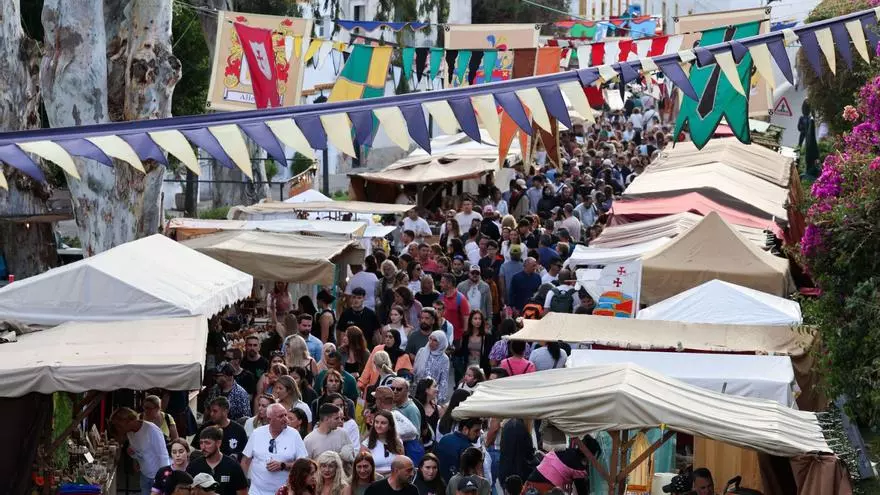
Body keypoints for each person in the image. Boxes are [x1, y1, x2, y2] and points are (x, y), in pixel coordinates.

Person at [242, 403, 309, 495]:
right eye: (280, 416)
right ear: (269, 419)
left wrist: (283, 465)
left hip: (284, 492)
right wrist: (244, 484)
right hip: (256, 491)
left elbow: (303, 464)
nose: (285, 419)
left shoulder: (294, 435)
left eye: (285, 415)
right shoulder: (257, 433)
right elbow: (245, 461)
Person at [110, 407, 170, 495]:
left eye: (119, 426)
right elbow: (138, 450)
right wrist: (133, 455)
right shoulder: (130, 432)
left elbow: (163, 455)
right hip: (145, 474)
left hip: (157, 476)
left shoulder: (151, 429)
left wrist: (164, 479)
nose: (118, 429)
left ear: (129, 420)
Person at [522, 435, 601, 494]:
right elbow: (582, 492)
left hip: (529, 483)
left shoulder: (564, 450)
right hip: (544, 488)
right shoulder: (578, 468)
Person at [186, 426, 248, 495]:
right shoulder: (194, 466)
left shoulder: (233, 466)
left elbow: (242, 492)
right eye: (201, 443)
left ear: (218, 443)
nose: (203, 447)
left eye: (207, 443)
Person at [192, 397, 248, 461]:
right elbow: (196, 451)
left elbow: (245, 454)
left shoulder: (239, 431)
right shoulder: (205, 428)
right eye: (211, 411)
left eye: (215, 411)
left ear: (225, 411)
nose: (211, 414)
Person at [434, 418, 483, 482]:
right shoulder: (468, 448)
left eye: (479, 431)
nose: (479, 434)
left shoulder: (445, 438)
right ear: (465, 429)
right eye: (476, 431)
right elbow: (472, 475)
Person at [362, 410, 405, 476]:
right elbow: (363, 468)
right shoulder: (366, 444)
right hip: (375, 478)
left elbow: (402, 464)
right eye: (376, 422)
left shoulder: (398, 442)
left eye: (383, 423)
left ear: (390, 426)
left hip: (395, 478)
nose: (379, 425)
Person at [412, 331, 450, 405]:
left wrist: (439, 399)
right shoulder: (422, 351)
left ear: (441, 343)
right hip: (418, 391)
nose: (431, 342)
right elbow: (414, 371)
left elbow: (443, 380)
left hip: (432, 394)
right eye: (430, 339)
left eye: (435, 340)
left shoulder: (444, 359)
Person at [453, 311, 492, 381]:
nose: (478, 321)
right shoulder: (466, 335)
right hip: (468, 366)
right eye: (475, 318)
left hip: (482, 368)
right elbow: (462, 351)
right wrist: (453, 350)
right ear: (471, 320)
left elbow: (489, 354)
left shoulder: (487, 336)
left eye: (480, 319)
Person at [498, 419, 534, 485]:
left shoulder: (508, 425)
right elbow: (529, 454)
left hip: (507, 472)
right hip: (520, 473)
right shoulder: (522, 428)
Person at [457, 266, 492, 331]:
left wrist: (489, 320)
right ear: (469, 273)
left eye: (477, 273)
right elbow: (457, 304)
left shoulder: (486, 287)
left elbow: (489, 304)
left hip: (481, 320)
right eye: (473, 273)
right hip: (466, 319)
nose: (475, 275)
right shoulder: (461, 286)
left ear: (480, 274)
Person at [439, 274, 470, 341]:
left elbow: (466, 318)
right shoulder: (440, 297)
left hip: (456, 337)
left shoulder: (461, 299)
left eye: (442, 282)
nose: (440, 284)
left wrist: (464, 335)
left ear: (449, 284)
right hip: (441, 337)